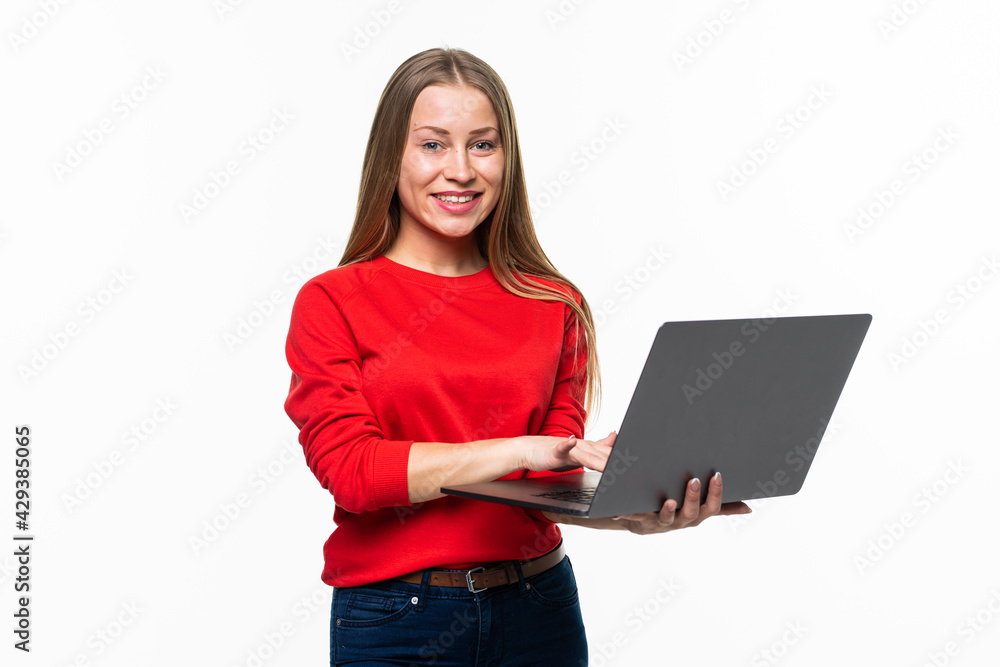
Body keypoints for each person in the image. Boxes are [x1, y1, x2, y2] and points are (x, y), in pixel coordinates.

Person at [283, 47, 751, 667]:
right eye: (432, 145)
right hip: (397, 619)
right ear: (390, 156)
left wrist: (632, 514)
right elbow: (353, 470)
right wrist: (519, 448)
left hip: (539, 609)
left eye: (483, 145)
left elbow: (543, 483)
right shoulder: (332, 301)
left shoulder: (553, 303)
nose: (460, 170)